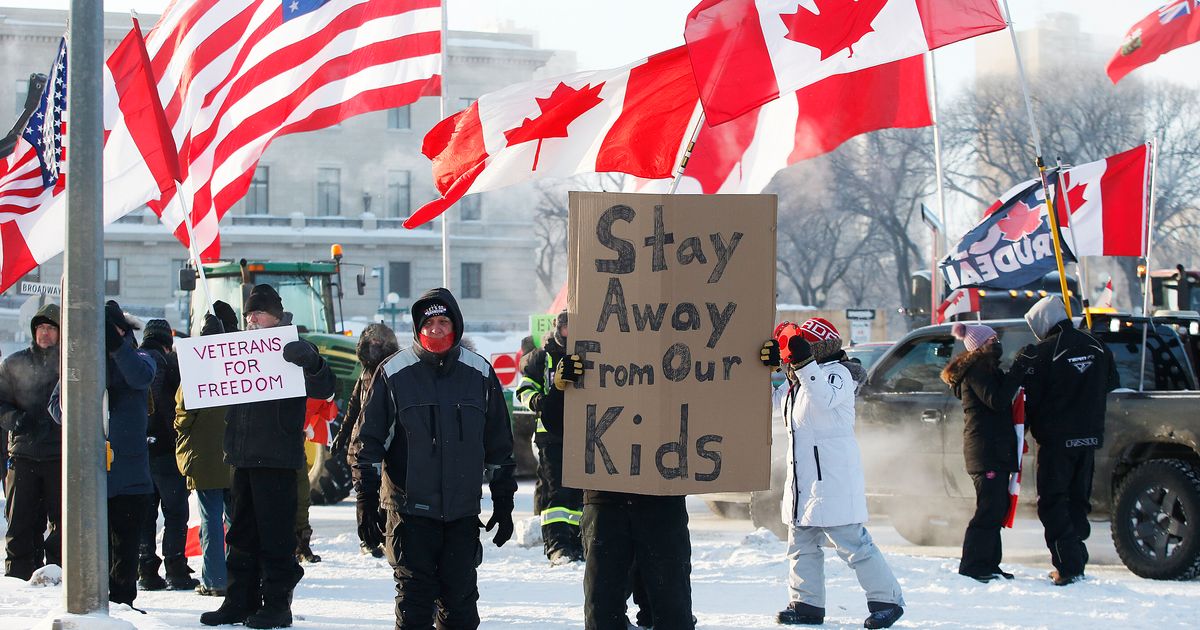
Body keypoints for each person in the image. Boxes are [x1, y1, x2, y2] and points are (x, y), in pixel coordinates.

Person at [355, 288, 517, 629]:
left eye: (444, 321)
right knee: (414, 608)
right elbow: (368, 444)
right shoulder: (393, 373)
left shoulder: (481, 374)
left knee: (460, 609)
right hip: (409, 515)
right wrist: (366, 502)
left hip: (461, 515)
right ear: (418, 328)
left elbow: (499, 445)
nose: (436, 329)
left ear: (456, 325)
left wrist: (504, 502)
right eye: (428, 323)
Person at [200, 285, 335, 629]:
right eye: (248, 315)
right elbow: (206, 380)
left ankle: (276, 604)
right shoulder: (241, 348)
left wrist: (313, 361)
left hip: (277, 457)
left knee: (276, 537)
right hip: (242, 456)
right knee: (240, 535)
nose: (252, 320)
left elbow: (325, 387)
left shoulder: (292, 346)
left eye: (258, 313)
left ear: (276, 314)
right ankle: (238, 600)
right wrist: (209, 345)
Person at [762, 318, 904, 629]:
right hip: (803, 480)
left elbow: (824, 397)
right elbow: (772, 404)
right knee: (800, 544)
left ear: (817, 347)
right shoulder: (798, 380)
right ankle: (806, 603)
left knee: (852, 544)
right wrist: (769, 371)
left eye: (800, 347)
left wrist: (802, 363)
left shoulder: (841, 374)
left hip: (833, 478)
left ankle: (888, 600)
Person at [1010, 296, 1118, 586]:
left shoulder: (1043, 353)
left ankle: (1067, 565)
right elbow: (1112, 383)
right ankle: (1075, 560)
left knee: (1053, 502)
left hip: (1056, 441)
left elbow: (1029, 399)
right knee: (1077, 501)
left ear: (1043, 323)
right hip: (1089, 438)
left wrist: (1021, 434)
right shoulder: (1097, 345)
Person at [941, 322, 1017, 582]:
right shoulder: (977, 371)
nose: (996, 342)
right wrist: (1016, 375)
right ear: (979, 346)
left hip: (995, 450)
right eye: (991, 339)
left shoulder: (988, 369)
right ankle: (973, 564)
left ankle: (990, 563)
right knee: (988, 508)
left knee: (997, 508)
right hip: (985, 451)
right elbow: (996, 399)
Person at [175, 302, 239, 597]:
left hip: (204, 457)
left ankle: (214, 580)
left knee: (210, 520)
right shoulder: (239, 366)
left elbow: (182, 414)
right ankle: (238, 576)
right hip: (236, 454)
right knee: (235, 520)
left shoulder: (196, 368)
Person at [515, 310, 585, 565]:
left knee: (579, 495)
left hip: (583, 434)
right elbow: (524, 389)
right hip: (550, 436)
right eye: (565, 328)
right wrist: (536, 400)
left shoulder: (588, 352)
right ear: (557, 328)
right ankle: (557, 545)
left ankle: (577, 543)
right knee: (556, 495)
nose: (569, 333)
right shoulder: (541, 357)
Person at [102, 301, 159, 608]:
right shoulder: (87, 361)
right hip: (92, 475)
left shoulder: (141, 355)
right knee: (94, 550)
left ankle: (122, 606)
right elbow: (58, 407)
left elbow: (139, 376)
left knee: (125, 552)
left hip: (130, 479)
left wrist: (116, 347)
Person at [0, 303, 61, 580]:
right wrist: (15, 420)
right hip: (23, 454)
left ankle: (60, 574)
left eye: (50, 328)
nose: (45, 333)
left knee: (62, 525)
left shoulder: (70, 365)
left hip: (59, 457)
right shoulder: (14, 364)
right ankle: (18, 579)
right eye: (40, 328)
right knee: (20, 523)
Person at [138, 318, 199, 591]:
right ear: (167, 342)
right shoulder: (173, 364)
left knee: (145, 513)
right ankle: (175, 568)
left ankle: (147, 570)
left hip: (140, 452)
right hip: (167, 451)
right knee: (175, 512)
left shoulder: (136, 364)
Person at [330, 322, 399, 558]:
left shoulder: (393, 372)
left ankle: (381, 536)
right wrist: (342, 434)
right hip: (362, 445)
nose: (374, 347)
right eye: (371, 343)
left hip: (386, 445)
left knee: (384, 494)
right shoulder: (365, 374)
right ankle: (367, 539)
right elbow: (353, 407)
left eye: (378, 343)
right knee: (364, 495)